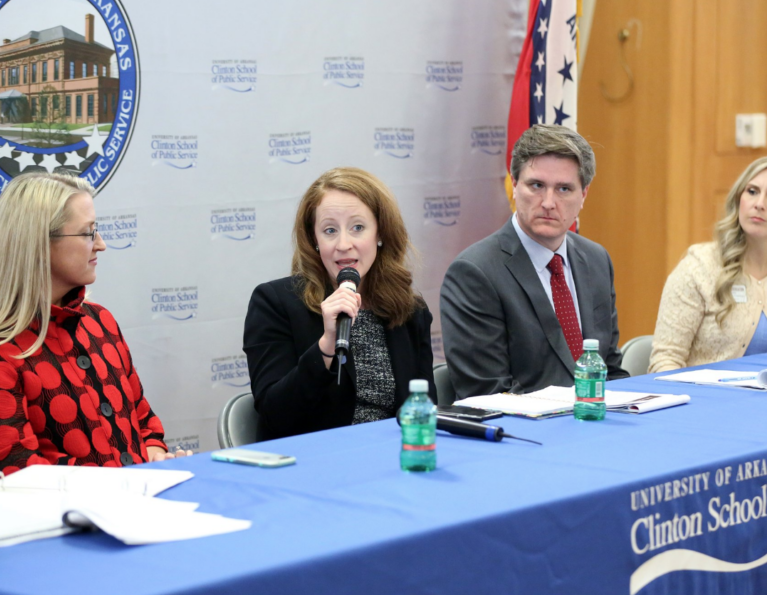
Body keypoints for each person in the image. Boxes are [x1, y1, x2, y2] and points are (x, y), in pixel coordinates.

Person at [0, 173, 188, 485]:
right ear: (38, 245)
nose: (101, 245)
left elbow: (145, 424)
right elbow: (20, 477)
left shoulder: (100, 322)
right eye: (88, 234)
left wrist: (155, 456)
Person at [244, 167, 435, 439]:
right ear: (314, 240)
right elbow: (275, 417)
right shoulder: (275, 303)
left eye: (357, 228)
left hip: (394, 463)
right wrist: (326, 344)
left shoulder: (410, 310)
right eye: (330, 230)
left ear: (380, 233)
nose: (343, 244)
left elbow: (424, 412)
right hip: (314, 465)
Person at [440, 124, 628, 399]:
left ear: (583, 195)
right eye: (537, 185)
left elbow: (609, 369)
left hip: (595, 423)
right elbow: (488, 393)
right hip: (527, 434)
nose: (549, 202)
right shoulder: (475, 272)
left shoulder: (596, 259)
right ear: (514, 186)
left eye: (564, 189)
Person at [649, 156, 767, 372]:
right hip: (703, 400)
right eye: (752, 191)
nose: (759, 204)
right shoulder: (698, 267)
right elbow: (665, 360)